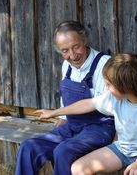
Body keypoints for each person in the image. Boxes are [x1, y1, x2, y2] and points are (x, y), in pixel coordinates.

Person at [15, 20, 115, 175]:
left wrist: (54, 112)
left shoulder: (105, 64)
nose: (72, 55)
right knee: (29, 146)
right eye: (65, 51)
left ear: (85, 41)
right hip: (72, 127)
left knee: (63, 151)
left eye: (76, 47)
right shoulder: (66, 65)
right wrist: (60, 123)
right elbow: (65, 100)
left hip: (99, 128)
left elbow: (99, 104)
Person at [36, 53, 137, 175]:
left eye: (108, 84)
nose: (106, 88)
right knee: (78, 168)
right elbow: (88, 104)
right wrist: (54, 112)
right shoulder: (115, 98)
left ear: (125, 86)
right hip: (123, 150)